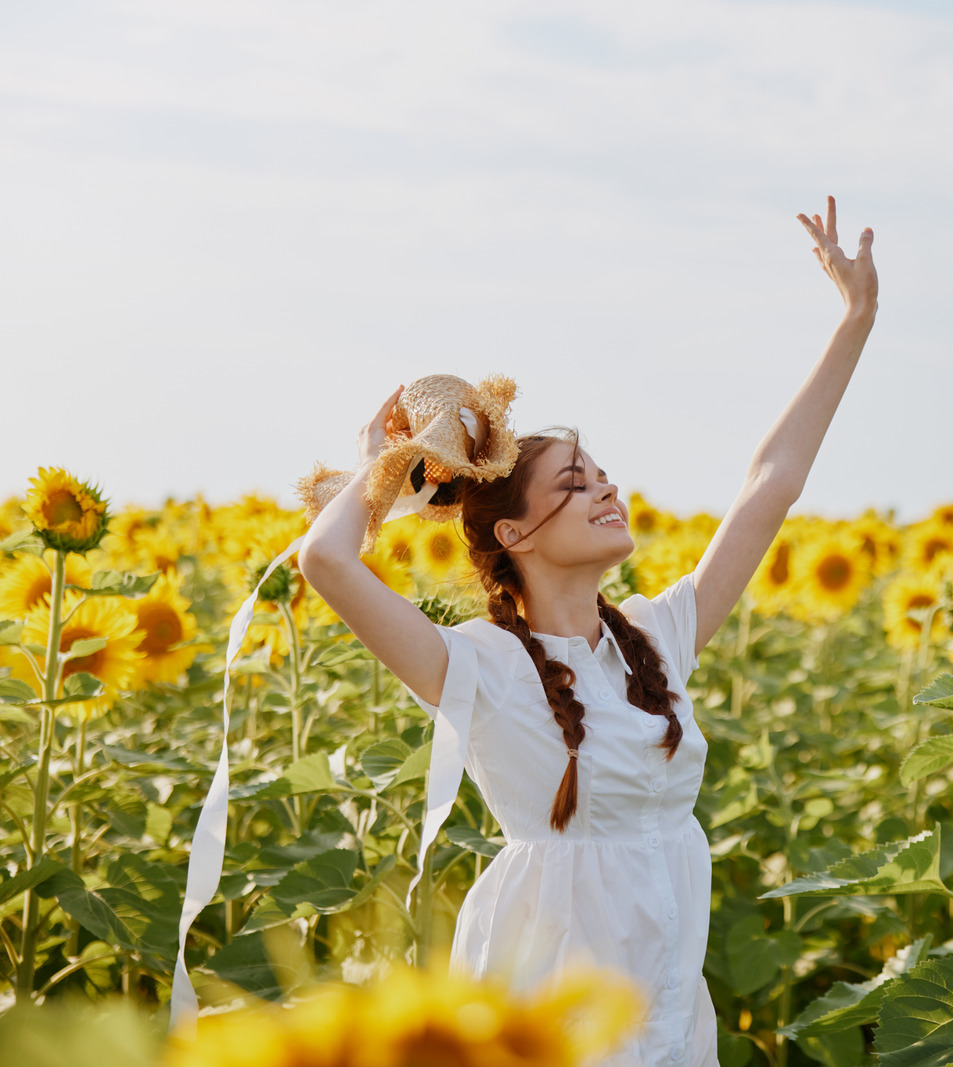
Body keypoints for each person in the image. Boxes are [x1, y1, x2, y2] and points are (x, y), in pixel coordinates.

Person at [297, 196, 877, 1067]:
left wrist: (855, 318)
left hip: (671, 1015)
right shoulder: (476, 667)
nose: (609, 491)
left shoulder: (657, 634)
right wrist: (402, 461)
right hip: (551, 1021)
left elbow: (771, 484)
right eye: (576, 483)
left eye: (603, 474)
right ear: (514, 534)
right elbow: (327, 561)